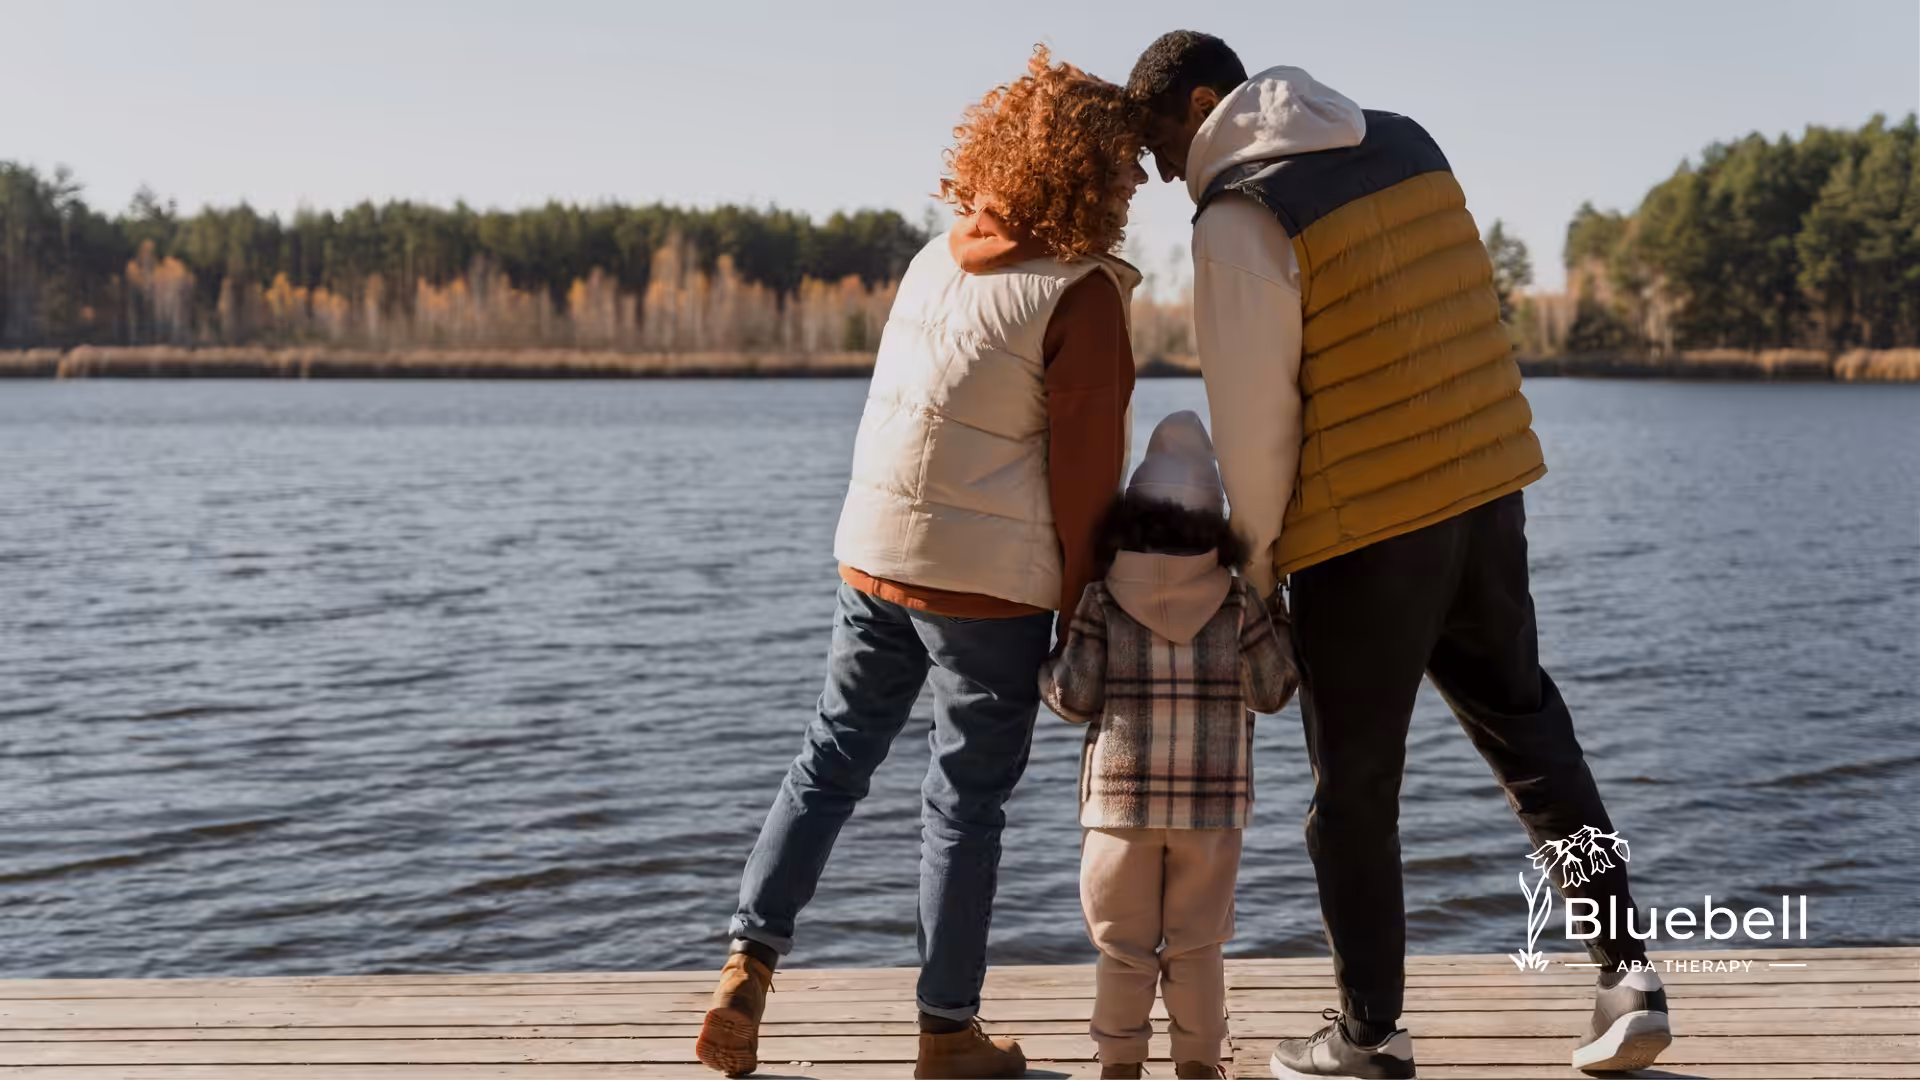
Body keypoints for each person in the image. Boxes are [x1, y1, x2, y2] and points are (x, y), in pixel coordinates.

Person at [1122, 30, 1672, 1080]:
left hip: (1364, 530)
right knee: (1531, 734)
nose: (1161, 175)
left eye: (1159, 148)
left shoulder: (1242, 210)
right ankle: (1628, 978)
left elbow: (1253, 423)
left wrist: (1257, 567)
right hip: (1483, 491)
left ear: (1202, 102)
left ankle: (1369, 1035)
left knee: (1353, 793)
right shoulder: (1411, 144)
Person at [694, 47, 1147, 1080]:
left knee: (830, 759)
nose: (1135, 185)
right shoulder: (1079, 295)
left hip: (872, 560)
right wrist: (1088, 609)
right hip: (986, 590)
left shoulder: (933, 258)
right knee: (965, 804)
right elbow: (1087, 486)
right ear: (1083, 171)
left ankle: (746, 964)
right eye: (1122, 165)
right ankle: (947, 1033)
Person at [1041, 411, 1298, 1080]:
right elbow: (1273, 692)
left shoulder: (1101, 600)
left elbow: (1073, 699)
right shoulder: (1238, 602)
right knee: (1197, 949)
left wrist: (1046, 666)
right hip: (1211, 816)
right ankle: (1198, 1067)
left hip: (1118, 812)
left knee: (1122, 952)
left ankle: (1121, 1067)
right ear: (1214, 522)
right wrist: (1282, 621)